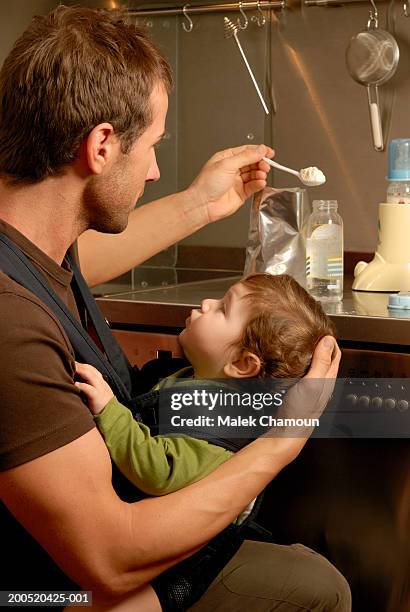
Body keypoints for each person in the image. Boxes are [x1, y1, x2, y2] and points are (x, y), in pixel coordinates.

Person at [0, 5, 350, 612]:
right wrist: (282, 441)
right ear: (102, 144)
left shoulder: (33, 248)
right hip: (35, 593)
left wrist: (199, 205)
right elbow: (108, 561)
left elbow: (84, 256)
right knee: (317, 589)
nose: (158, 169)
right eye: (154, 146)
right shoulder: (10, 323)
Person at [74, 273, 336, 500]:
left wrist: (110, 410)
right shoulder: (191, 379)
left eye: (223, 309)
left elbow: (158, 470)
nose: (207, 303)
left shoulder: (216, 427)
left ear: (242, 363)